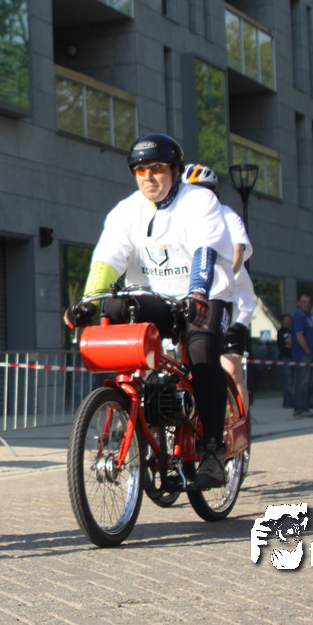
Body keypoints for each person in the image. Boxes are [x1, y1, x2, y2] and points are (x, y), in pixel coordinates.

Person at [65, 135, 236, 487]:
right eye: (140, 170)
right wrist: (88, 302)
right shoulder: (126, 210)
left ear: (174, 170)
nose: (148, 177)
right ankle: (134, 412)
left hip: (205, 296)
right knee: (113, 307)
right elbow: (108, 257)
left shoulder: (199, 200)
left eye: (157, 169)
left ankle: (213, 451)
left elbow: (205, 249)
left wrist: (198, 292)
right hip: (156, 298)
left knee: (202, 352)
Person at [182, 164, 253, 419]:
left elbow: (237, 252)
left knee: (230, 367)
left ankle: (239, 424)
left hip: (231, 300)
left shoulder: (226, 215)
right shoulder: (181, 221)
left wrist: (219, 277)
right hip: (193, 300)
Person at [290, 293, 313, 419]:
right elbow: (299, 336)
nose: (307, 304)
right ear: (299, 303)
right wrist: (307, 350)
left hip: (309, 355)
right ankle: (300, 408)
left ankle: (305, 406)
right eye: (304, 302)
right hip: (302, 355)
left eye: (308, 302)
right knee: (303, 382)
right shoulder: (299, 316)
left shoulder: (308, 316)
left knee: (307, 382)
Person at [276, 314, 294, 408]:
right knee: (288, 381)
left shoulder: (291, 331)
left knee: (291, 381)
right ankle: (288, 401)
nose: (288, 322)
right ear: (282, 322)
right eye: (286, 320)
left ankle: (290, 400)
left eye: (289, 320)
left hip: (292, 358)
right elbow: (290, 342)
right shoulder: (282, 331)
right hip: (285, 358)